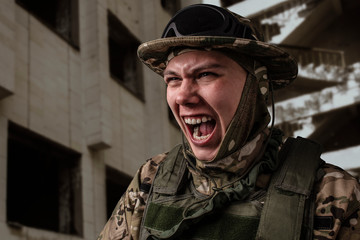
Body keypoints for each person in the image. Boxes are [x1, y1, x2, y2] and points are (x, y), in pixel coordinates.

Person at [98, 4, 360, 240]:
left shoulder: (331, 193)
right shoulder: (150, 180)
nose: (183, 96)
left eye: (205, 74)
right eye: (173, 79)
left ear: (257, 87)